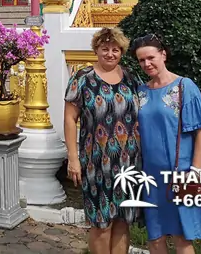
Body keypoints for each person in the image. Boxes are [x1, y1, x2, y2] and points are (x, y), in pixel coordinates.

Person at [131, 33, 201, 254]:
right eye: (141, 60)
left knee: (181, 237)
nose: (147, 64)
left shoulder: (184, 87)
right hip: (150, 176)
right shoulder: (141, 91)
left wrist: (195, 171)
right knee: (155, 236)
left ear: (163, 54)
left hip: (180, 174)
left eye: (151, 57)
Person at [64, 27, 142, 254]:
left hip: (130, 162)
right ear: (96, 50)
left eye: (115, 50)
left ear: (122, 52)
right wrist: (73, 158)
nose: (110, 54)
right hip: (97, 162)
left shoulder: (130, 78)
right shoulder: (83, 78)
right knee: (101, 222)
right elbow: (70, 119)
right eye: (105, 49)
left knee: (122, 220)